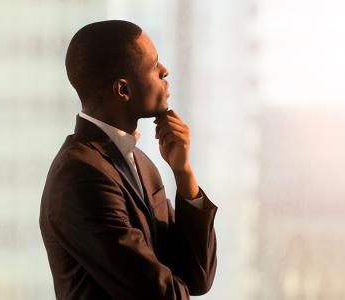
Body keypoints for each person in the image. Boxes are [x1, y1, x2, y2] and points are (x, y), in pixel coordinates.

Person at [39, 20, 218, 299]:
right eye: (154, 65)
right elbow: (156, 294)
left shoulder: (143, 165)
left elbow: (197, 276)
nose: (165, 71)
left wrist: (183, 173)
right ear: (123, 90)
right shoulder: (80, 176)